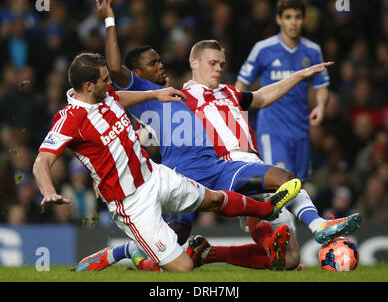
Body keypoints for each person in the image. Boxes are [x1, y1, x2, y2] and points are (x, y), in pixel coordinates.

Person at [75, 0, 360, 272]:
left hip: (215, 166)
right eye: (153, 63)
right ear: (136, 72)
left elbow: (258, 97)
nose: (161, 66)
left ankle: (304, 226)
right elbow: (114, 68)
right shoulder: (156, 92)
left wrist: (299, 76)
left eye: (160, 61)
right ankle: (121, 252)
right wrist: (110, 20)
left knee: (283, 189)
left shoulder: (186, 94)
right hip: (181, 174)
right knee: (175, 242)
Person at [33, 52, 300, 272]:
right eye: (104, 80)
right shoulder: (69, 120)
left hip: (155, 175)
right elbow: (41, 162)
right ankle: (123, 251)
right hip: (131, 202)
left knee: (214, 199)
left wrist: (154, 95)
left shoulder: (105, 95)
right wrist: (48, 192)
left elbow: (119, 98)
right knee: (183, 267)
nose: (109, 83)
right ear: (88, 86)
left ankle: (267, 209)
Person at [235, 0, 329, 182]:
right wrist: (239, 121)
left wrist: (320, 106)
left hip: (301, 130)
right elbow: (240, 85)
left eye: (297, 17)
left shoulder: (312, 51)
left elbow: (321, 86)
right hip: (272, 130)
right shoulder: (263, 49)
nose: (293, 22)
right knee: (279, 185)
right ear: (279, 19)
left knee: (299, 188)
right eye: (288, 17)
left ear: (303, 19)